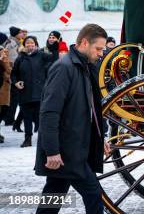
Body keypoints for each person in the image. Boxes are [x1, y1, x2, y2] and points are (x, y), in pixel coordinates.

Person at [35, 24, 111, 214]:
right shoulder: (64, 68)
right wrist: (52, 151)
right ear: (84, 43)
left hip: (73, 149)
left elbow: (93, 109)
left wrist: (100, 139)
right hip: (67, 151)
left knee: (52, 198)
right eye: (98, 48)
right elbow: (49, 112)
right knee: (93, 194)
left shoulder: (84, 66)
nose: (101, 53)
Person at [10, 36, 54, 147]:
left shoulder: (41, 55)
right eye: (28, 43)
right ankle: (27, 139)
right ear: (24, 45)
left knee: (41, 117)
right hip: (25, 93)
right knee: (27, 118)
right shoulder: (20, 58)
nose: (30, 45)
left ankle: (44, 139)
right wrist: (16, 83)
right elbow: (14, 74)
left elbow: (54, 57)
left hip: (40, 93)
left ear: (36, 44)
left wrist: (53, 46)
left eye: (32, 43)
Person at [4, 26, 25, 128]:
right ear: (16, 33)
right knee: (13, 98)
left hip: (12, 73)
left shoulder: (15, 42)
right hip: (12, 74)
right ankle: (9, 119)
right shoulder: (12, 44)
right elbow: (12, 60)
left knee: (13, 98)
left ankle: (9, 118)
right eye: (20, 32)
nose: (22, 34)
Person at [0, 45, 11, 143]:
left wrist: (4, 61)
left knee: (4, 109)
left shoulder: (4, 51)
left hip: (3, 85)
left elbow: (8, 70)